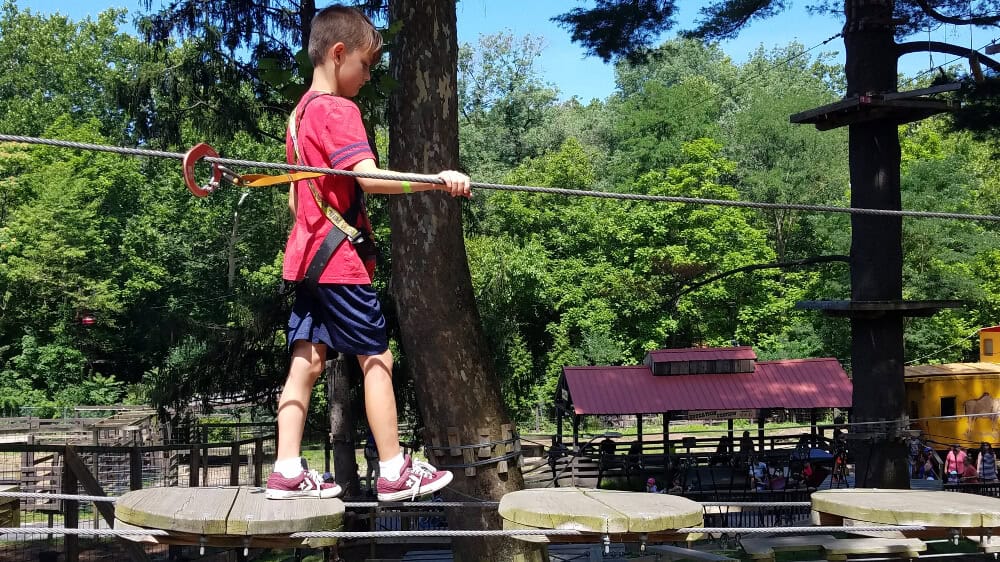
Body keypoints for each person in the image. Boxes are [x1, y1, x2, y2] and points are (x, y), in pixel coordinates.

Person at [266, 5, 469, 501]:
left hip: (307, 258)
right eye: (366, 64)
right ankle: (394, 468)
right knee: (377, 357)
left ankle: (288, 468)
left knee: (307, 361)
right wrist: (435, 182)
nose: (367, 75)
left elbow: (299, 199)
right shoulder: (338, 110)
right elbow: (369, 180)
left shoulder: (299, 115)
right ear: (339, 55)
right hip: (339, 262)